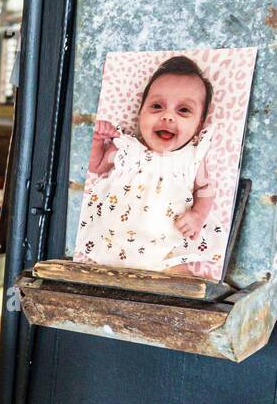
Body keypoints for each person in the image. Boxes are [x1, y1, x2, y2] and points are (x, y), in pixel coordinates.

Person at [80, 55, 218, 273]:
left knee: (182, 279)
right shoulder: (127, 149)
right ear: (140, 113)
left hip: (166, 246)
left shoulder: (190, 159)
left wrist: (198, 216)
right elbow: (96, 166)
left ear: (199, 124)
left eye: (183, 110)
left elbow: (206, 189)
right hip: (113, 240)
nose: (168, 116)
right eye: (156, 106)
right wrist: (97, 140)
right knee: (96, 276)